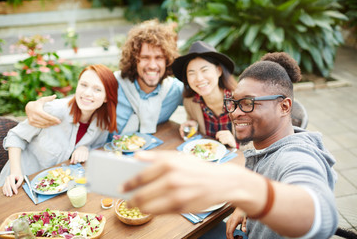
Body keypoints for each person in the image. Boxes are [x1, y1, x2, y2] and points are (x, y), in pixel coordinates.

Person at [121, 52, 338, 238]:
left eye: (248, 103)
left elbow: (322, 215)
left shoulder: (296, 155)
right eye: (233, 103)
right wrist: (244, 205)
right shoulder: (262, 145)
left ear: (284, 106)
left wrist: (237, 185)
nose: (235, 112)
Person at [25, 19, 184, 137]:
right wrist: (32, 107)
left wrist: (192, 119)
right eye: (145, 57)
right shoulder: (114, 83)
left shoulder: (174, 90)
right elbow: (80, 100)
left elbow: (201, 97)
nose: (152, 65)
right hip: (105, 154)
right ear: (134, 58)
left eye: (159, 58)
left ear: (167, 59)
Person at [0, 64, 118, 197]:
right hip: (20, 183)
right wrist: (15, 172)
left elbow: (96, 150)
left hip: (55, 188)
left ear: (107, 97)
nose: (87, 93)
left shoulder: (102, 123)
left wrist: (85, 148)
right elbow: (16, 136)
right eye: (84, 85)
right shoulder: (54, 110)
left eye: (97, 89)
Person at [172, 41, 238, 147]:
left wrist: (235, 143)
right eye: (191, 73)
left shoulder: (242, 101)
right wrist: (194, 125)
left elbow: (260, 143)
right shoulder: (190, 102)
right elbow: (198, 132)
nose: (199, 78)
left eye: (204, 70)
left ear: (218, 71)